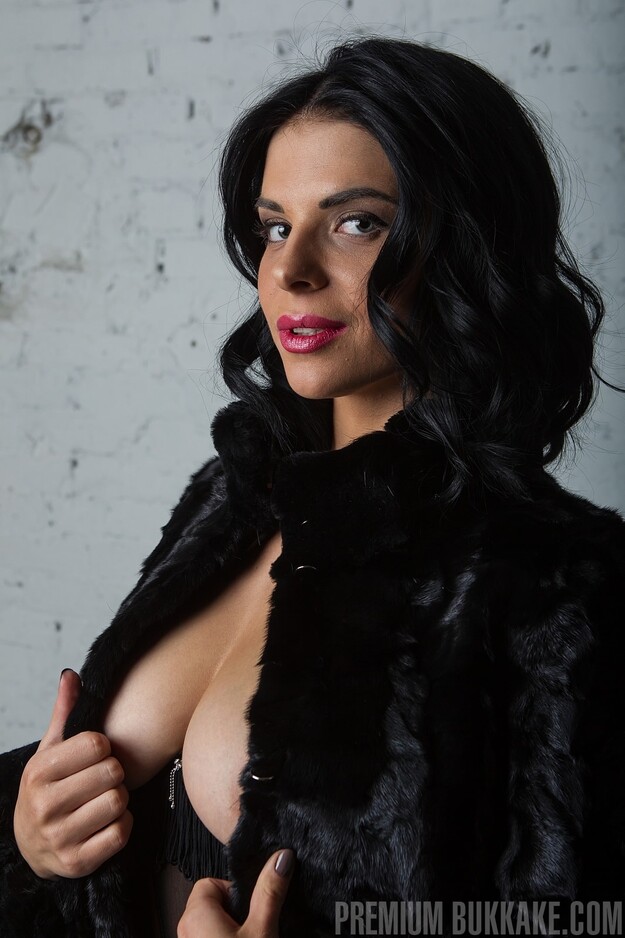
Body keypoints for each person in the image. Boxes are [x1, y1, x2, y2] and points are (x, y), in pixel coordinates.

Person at [1, 34, 624, 938]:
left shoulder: (560, 582)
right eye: (274, 226)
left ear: (465, 246)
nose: (289, 270)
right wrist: (33, 837)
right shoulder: (231, 498)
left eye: (355, 223)